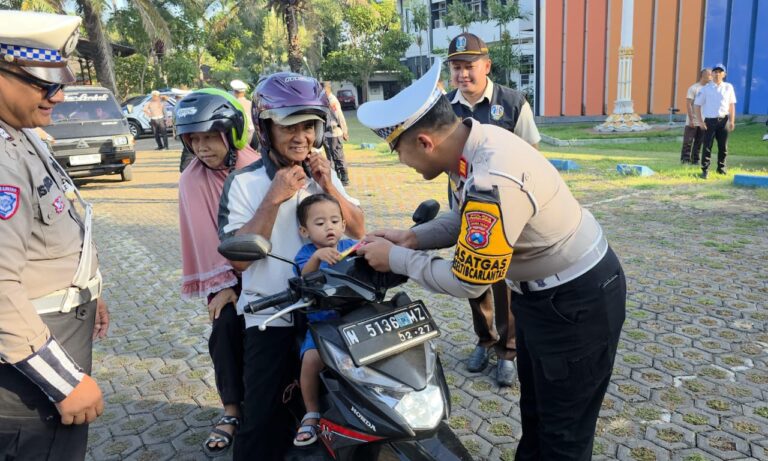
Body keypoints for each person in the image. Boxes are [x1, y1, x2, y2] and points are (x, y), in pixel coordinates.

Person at [356, 59, 626, 461]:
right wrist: (412, 238)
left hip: (576, 305)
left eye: (399, 151)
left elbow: (469, 280)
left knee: (563, 437)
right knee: (537, 416)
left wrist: (397, 259)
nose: (402, 163)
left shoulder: (491, 175)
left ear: (425, 142)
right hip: (544, 299)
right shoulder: (474, 144)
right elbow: (466, 215)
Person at [217, 72, 364, 461]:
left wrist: (329, 185)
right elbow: (238, 258)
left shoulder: (322, 172)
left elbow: (359, 229)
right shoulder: (244, 183)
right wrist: (274, 197)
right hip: (273, 314)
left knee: (346, 410)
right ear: (265, 128)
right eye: (289, 126)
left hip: (331, 311)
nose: (301, 136)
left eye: (308, 125)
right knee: (262, 421)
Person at [0, 11, 110, 460]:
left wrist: (89, 289)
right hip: (29, 367)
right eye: (43, 82)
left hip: (53, 333)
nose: (58, 96)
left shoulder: (21, 135)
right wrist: (64, 383)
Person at [445, 32, 542, 385]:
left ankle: (508, 350)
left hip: (505, 210)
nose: (462, 74)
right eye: (456, 67)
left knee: (505, 279)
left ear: (486, 65)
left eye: (469, 66)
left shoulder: (513, 102)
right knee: (473, 275)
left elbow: (532, 154)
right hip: (463, 206)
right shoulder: (444, 107)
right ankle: (484, 340)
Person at [175, 89, 261, 456]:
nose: (202, 146)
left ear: (231, 134)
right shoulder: (190, 181)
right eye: (195, 138)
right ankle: (231, 410)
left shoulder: (256, 166)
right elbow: (206, 239)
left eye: (211, 136)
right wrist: (229, 287)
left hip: (268, 267)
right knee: (225, 326)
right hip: (223, 277)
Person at [292, 193, 358, 446]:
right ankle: (311, 413)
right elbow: (302, 279)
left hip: (355, 316)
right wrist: (317, 258)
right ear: (304, 230)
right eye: (320, 223)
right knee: (310, 360)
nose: (329, 227)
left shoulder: (349, 246)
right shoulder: (305, 254)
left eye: (334, 221)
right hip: (324, 323)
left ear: (343, 224)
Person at [694, 63, 736, 179]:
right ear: (711, 74)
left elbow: (731, 105)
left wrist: (732, 121)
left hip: (724, 121)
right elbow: (697, 105)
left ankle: (721, 168)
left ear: (724, 74)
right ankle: (705, 170)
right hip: (710, 121)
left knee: (723, 147)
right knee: (707, 146)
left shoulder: (728, 87)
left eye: (720, 72)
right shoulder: (705, 89)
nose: (717, 74)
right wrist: (701, 122)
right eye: (715, 71)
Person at [680, 68, 711, 164]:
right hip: (693, 120)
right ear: (703, 75)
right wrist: (691, 119)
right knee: (688, 141)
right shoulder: (694, 88)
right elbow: (688, 104)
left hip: (704, 121)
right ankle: (685, 160)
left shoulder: (710, 89)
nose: (711, 77)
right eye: (709, 75)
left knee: (699, 142)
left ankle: (695, 160)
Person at [322, 82, 351, 185]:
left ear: (327, 90)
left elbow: (340, 117)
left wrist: (345, 131)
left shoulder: (332, 101)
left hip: (334, 133)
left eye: (322, 90)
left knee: (338, 156)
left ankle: (344, 178)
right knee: (330, 158)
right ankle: (335, 179)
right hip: (326, 133)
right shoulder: (323, 101)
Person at [230, 79, 256, 144]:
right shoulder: (250, 103)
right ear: (244, 92)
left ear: (234, 92)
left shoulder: (233, 105)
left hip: (240, 139)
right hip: (254, 137)